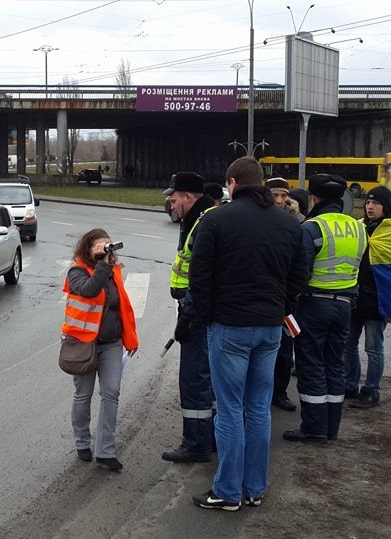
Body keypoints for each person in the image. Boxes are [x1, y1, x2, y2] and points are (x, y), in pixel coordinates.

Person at [189, 156, 308, 511]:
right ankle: (254, 488)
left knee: (229, 411)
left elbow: (199, 276)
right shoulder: (288, 224)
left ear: (233, 183)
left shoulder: (216, 220)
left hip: (229, 327)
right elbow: (299, 275)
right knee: (258, 409)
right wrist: (281, 308)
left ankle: (227, 492)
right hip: (270, 329)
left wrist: (209, 317)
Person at [283, 174, 368, 443]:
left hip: (314, 304)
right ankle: (332, 427)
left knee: (311, 365)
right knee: (335, 364)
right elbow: (363, 268)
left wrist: (289, 301)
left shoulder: (312, 228)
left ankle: (314, 428)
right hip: (345, 306)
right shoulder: (358, 227)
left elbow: (300, 271)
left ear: (314, 198)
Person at [63, 229, 139, 471]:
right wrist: (101, 264)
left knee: (111, 392)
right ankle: (82, 442)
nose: (105, 249)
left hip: (111, 343)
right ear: (88, 248)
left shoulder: (113, 272)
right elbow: (89, 290)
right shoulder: (77, 272)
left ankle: (106, 451)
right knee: (83, 394)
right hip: (84, 343)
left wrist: (131, 339)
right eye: (99, 245)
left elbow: (123, 307)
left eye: (108, 245)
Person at [162, 172, 217, 463]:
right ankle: (211, 437)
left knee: (195, 378)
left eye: (174, 200)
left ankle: (196, 444)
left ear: (188, 197)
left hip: (196, 311)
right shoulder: (198, 218)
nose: (171, 206)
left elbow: (202, 275)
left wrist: (187, 316)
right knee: (207, 377)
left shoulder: (203, 221)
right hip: (199, 309)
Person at [344, 186, 391, 409]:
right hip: (355, 297)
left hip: (377, 300)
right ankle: (349, 384)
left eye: (375, 203)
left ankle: (372, 390)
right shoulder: (359, 227)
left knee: (373, 348)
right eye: (367, 203)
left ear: (385, 206)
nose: (370, 207)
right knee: (348, 344)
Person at [265, 177, 298, 413]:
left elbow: (300, 265)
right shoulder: (259, 219)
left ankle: (279, 392)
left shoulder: (295, 223)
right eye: (275, 194)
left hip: (286, 301)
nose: (279, 200)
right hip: (264, 298)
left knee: (285, 351)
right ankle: (262, 393)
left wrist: (291, 297)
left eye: (283, 195)